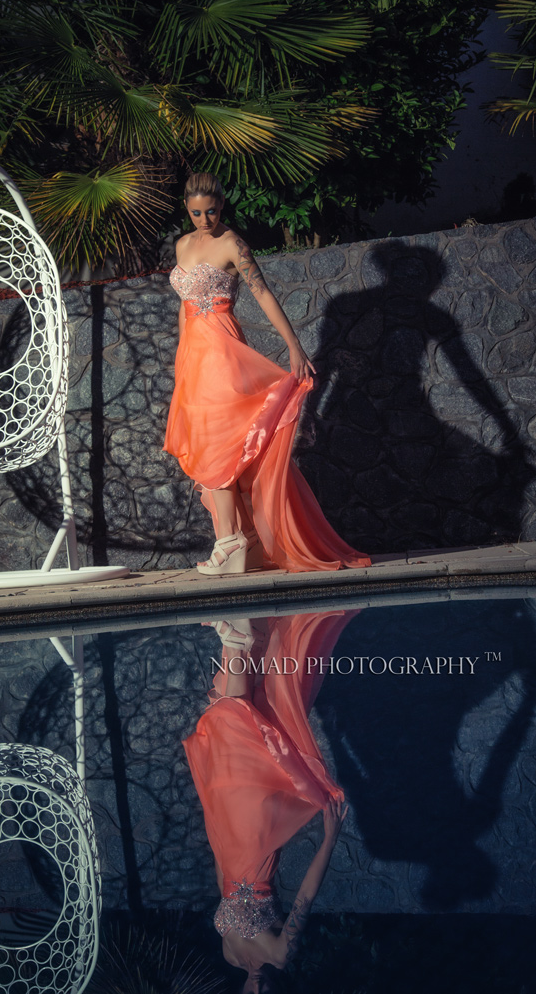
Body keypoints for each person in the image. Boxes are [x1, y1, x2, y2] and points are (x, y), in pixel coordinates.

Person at [163, 171, 371, 575]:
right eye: (196, 213)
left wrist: (293, 344)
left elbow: (262, 293)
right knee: (205, 441)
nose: (204, 220)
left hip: (222, 350)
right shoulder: (182, 245)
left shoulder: (232, 244)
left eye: (211, 211)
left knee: (218, 446)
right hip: (193, 357)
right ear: (186, 209)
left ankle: (230, 543)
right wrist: (180, 363)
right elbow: (184, 308)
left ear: (222, 206)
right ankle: (249, 542)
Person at [183, 610, 356, 992]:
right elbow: (305, 898)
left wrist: (214, 819)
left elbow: (223, 884)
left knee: (233, 743)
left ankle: (246, 639)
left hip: (228, 836)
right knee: (237, 738)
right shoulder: (279, 955)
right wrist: (329, 840)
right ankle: (238, 641)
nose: (259, 991)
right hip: (256, 837)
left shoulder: (229, 954)